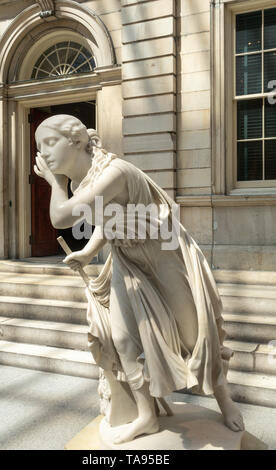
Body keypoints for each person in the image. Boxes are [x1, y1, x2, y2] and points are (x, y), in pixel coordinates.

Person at [34, 114, 244, 444]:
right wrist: (89, 252)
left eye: (48, 143)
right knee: (121, 341)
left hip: (162, 256)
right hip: (127, 258)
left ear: (75, 142)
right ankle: (146, 415)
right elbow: (109, 218)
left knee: (196, 336)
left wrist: (55, 185)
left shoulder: (114, 172)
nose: (43, 154)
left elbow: (61, 217)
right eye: (38, 147)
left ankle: (225, 401)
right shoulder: (82, 183)